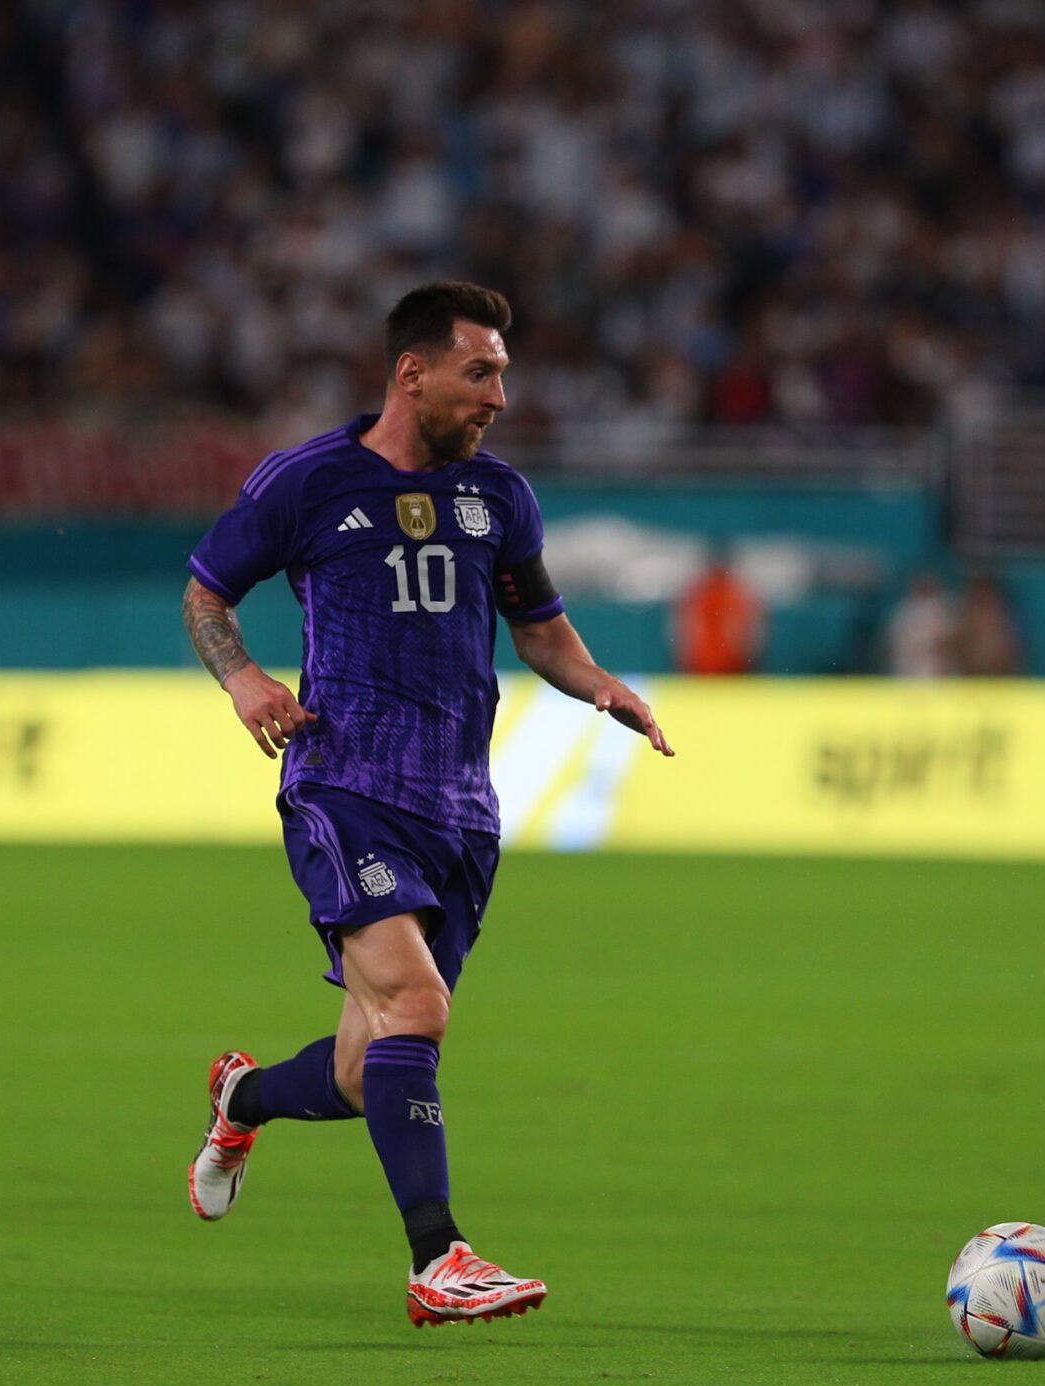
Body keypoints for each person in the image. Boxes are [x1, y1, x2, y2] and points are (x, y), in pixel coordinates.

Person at [179, 282, 675, 1327]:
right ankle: (437, 1257)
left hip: (460, 809)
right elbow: (207, 591)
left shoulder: (499, 498)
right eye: (480, 372)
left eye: (502, 373)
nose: (499, 395)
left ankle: (244, 1098)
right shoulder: (307, 481)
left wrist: (602, 686)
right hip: (343, 784)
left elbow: (537, 627)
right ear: (414, 373)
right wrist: (243, 680)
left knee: (370, 1070)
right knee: (416, 1006)